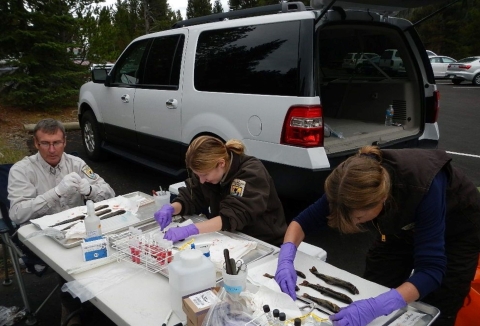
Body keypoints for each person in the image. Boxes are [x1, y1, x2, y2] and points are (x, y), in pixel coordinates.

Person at [274, 146, 480, 326]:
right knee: (372, 286)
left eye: (359, 217)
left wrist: (380, 306)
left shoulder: (425, 188)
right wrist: (286, 257)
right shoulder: (348, 184)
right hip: (399, 228)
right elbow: (302, 221)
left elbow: (432, 271)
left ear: (382, 199)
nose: (355, 223)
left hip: (456, 229)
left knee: (439, 302)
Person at [8, 118, 115, 326]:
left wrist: (91, 190)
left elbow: (110, 193)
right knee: (70, 261)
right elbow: (17, 214)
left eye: (56, 142)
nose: (51, 149)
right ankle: (72, 311)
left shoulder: (77, 164)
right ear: (36, 144)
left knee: (109, 246)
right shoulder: (22, 170)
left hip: (77, 229)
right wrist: (55, 193)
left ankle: (105, 303)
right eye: (45, 143)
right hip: (40, 235)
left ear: (65, 141)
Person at [154, 135, 287, 246]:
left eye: (204, 175)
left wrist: (191, 230)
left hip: (263, 240)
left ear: (221, 163)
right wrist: (172, 208)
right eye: (198, 175)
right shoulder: (209, 172)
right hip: (229, 235)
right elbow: (193, 196)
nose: (201, 180)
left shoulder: (251, 173)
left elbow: (232, 216)